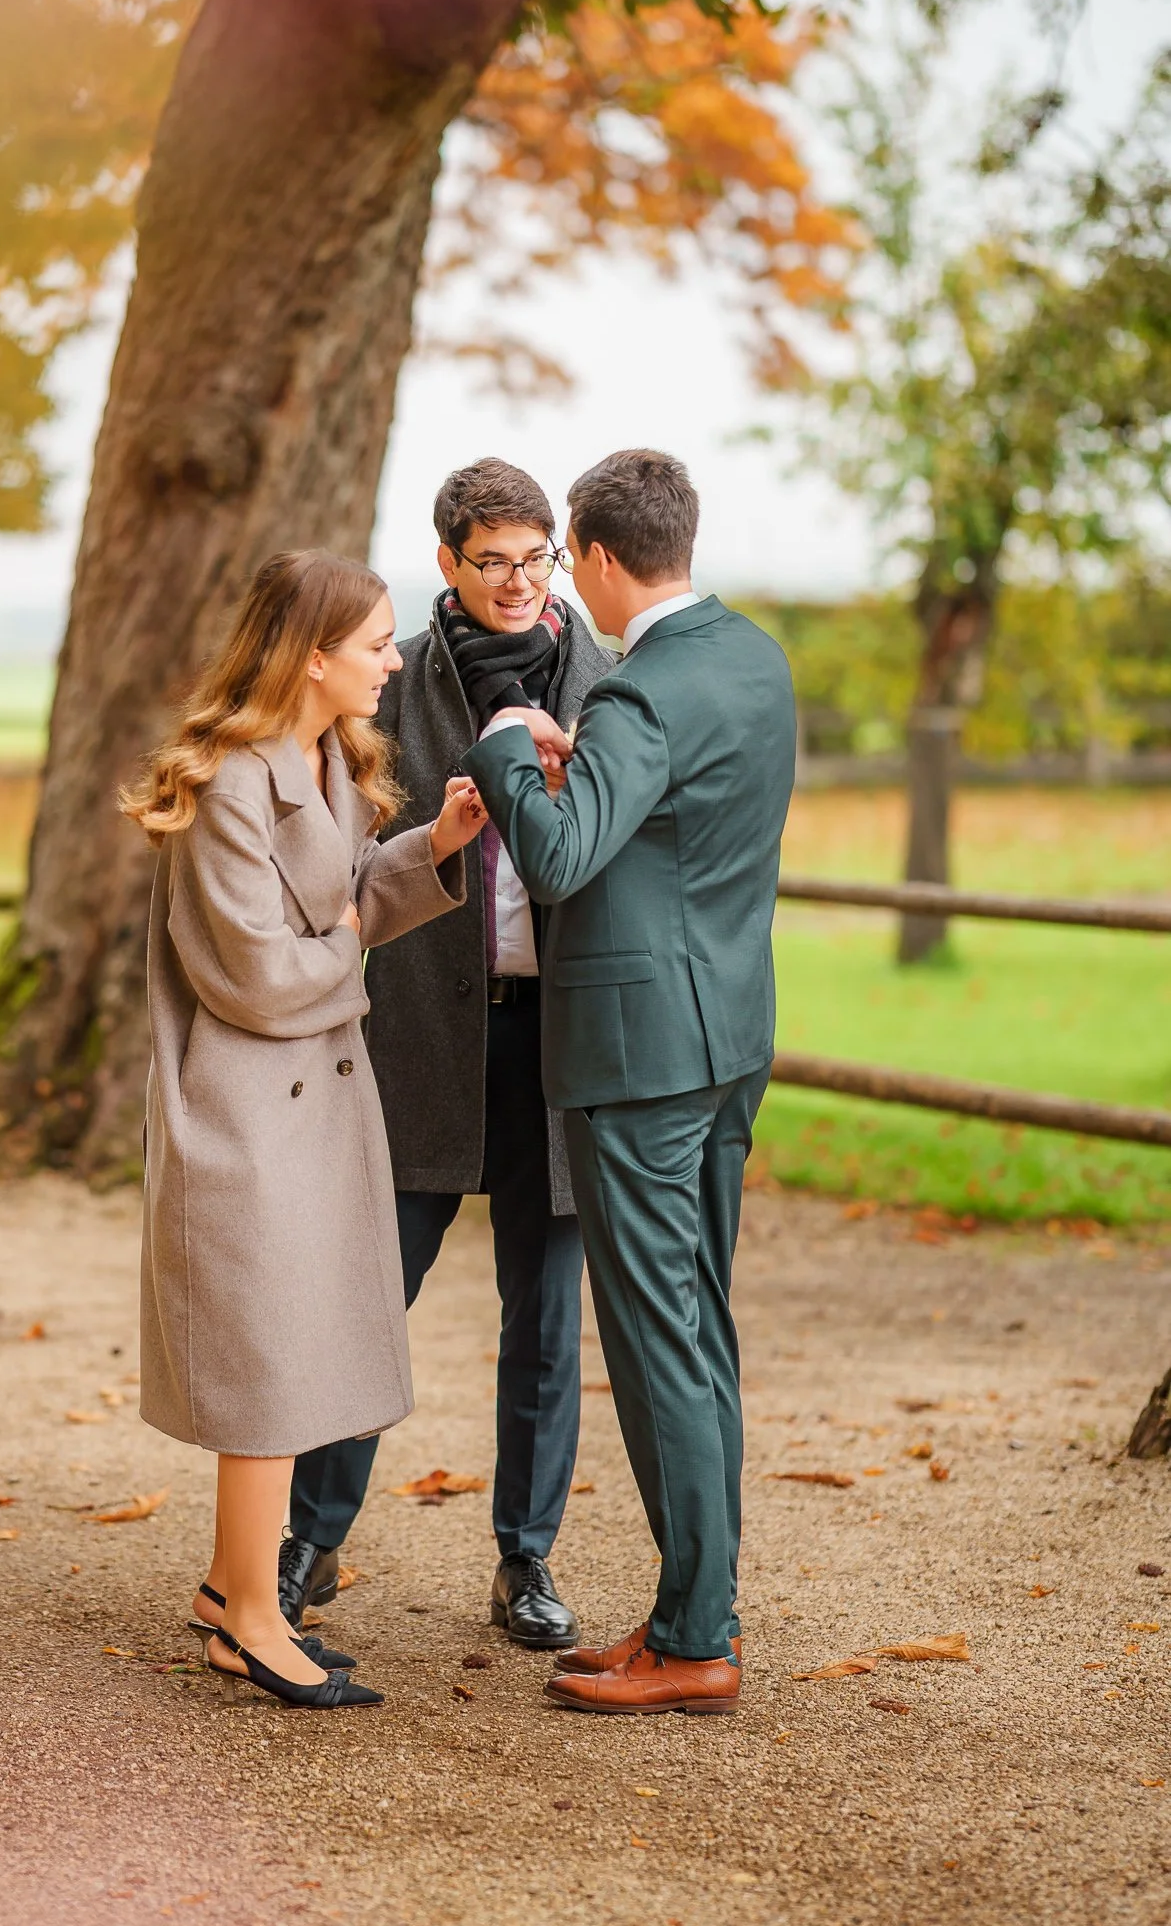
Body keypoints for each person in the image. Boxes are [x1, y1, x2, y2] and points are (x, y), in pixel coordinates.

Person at [122, 549, 486, 1711]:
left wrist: (432, 845)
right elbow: (259, 979)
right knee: (266, 1369)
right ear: (313, 656)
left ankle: (232, 1589)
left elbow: (337, 911)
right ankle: (253, 1622)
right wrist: (339, 939)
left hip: (308, 1106)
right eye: (377, 643)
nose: (393, 660)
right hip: (243, 1110)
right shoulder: (232, 782)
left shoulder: (325, 758)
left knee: (285, 1352)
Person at [464, 450, 795, 1715]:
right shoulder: (749, 659)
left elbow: (553, 856)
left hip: (637, 1060)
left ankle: (695, 1636)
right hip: (725, 1041)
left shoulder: (637, 696)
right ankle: (681, 1610)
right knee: (695, 1325)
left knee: (661, 1340)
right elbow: (669, 825)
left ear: (596, 560)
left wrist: (507, 748)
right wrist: (578, 752)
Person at [282, 459, 609, 1650]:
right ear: (447, 563)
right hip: (420, 1031)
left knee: (544, 1321)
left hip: (560, 1044)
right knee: (371, 1297)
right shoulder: (394, 683)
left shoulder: (611, 685)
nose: (519, 582)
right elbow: (333, 845)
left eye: (538, 558)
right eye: (494, 561)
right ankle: (308, 1543)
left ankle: (524, 1560)